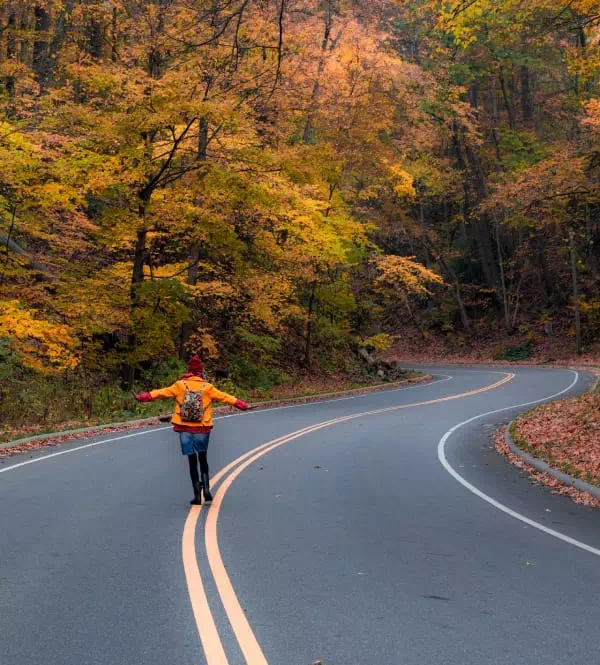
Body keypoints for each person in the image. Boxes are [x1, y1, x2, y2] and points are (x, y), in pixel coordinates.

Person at [135, 355, 249, 505]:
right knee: (203, 458)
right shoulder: (208, 387)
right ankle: (207, 489)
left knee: (191, 460)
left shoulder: (180, 385)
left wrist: (145, 396)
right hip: (202, 427)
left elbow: (161, 392)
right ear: (200, 372)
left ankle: (196, 494)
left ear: (189, 371)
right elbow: (225, 397)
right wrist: (241, 404)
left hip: (184, 427)